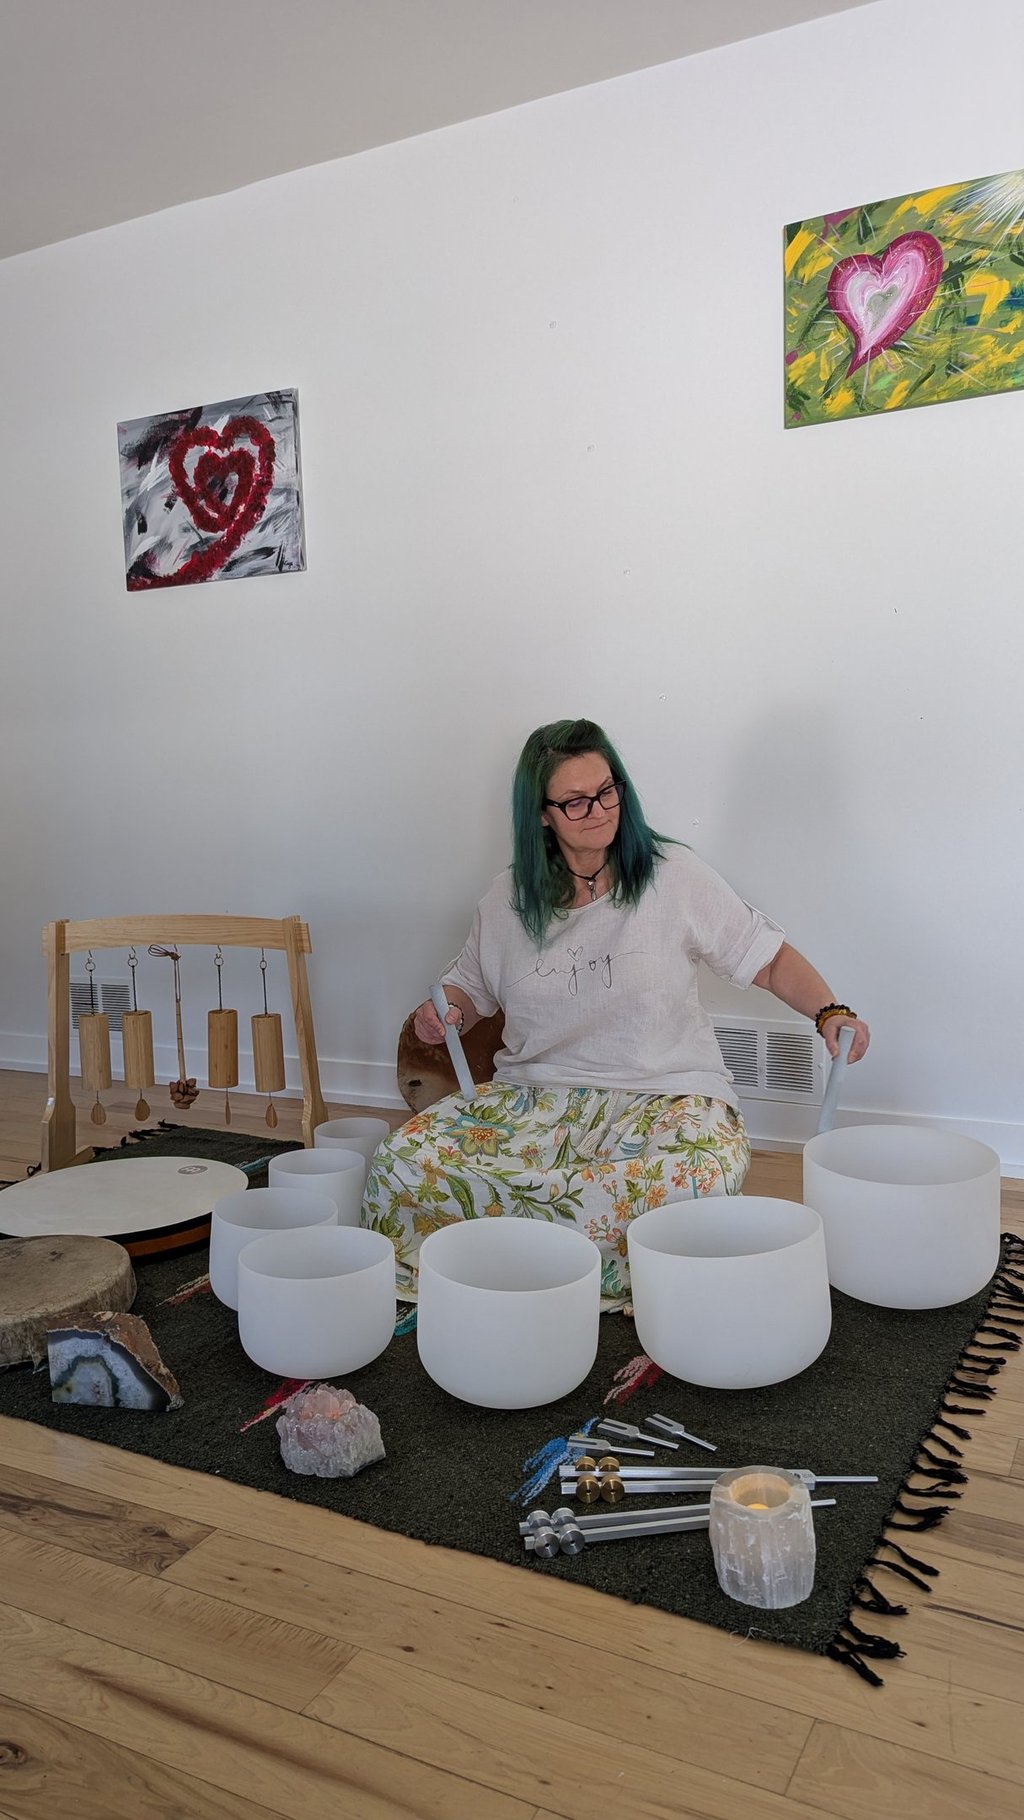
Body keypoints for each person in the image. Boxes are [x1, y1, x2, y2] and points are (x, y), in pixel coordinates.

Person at [363, 719, 869, 1306]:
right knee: (400, 1161)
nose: (599, 810)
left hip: (667, 1096)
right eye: (575, 801)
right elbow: (466, 993)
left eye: (607, 791)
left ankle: (518, 1264)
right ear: (542, 815)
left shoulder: (674, 876)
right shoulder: (506, 899)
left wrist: (830, 1011)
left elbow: (769, 959)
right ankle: (534, 1271)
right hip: (534, 1099)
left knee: (698, 1178)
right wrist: (441, 1013)